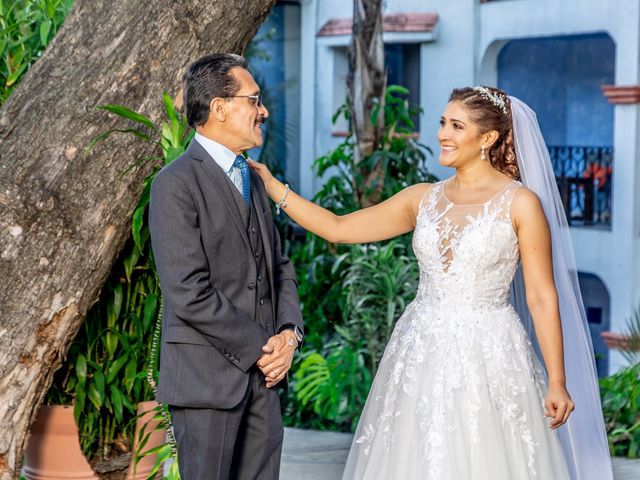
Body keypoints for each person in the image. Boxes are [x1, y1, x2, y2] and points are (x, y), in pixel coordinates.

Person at [249, 86, 612, 479]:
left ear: (487, 138)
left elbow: (541, 297)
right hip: (420, 351)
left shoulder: (521, 203)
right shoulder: (422, 199)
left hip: (490, 355)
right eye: (443, 122)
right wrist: (272, 186)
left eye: (457, 126)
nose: (443, 134)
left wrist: (557, 381)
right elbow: (339, 228)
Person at [149, 53, 304, 480]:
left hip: (265, 380)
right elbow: (188, 292)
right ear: (219, 108)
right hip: (207, 382)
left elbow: (278, 265)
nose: (264, 111)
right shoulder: (174, 184)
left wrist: (290, 334)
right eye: (254, 100)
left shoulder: (254, 179)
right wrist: (263, 349)